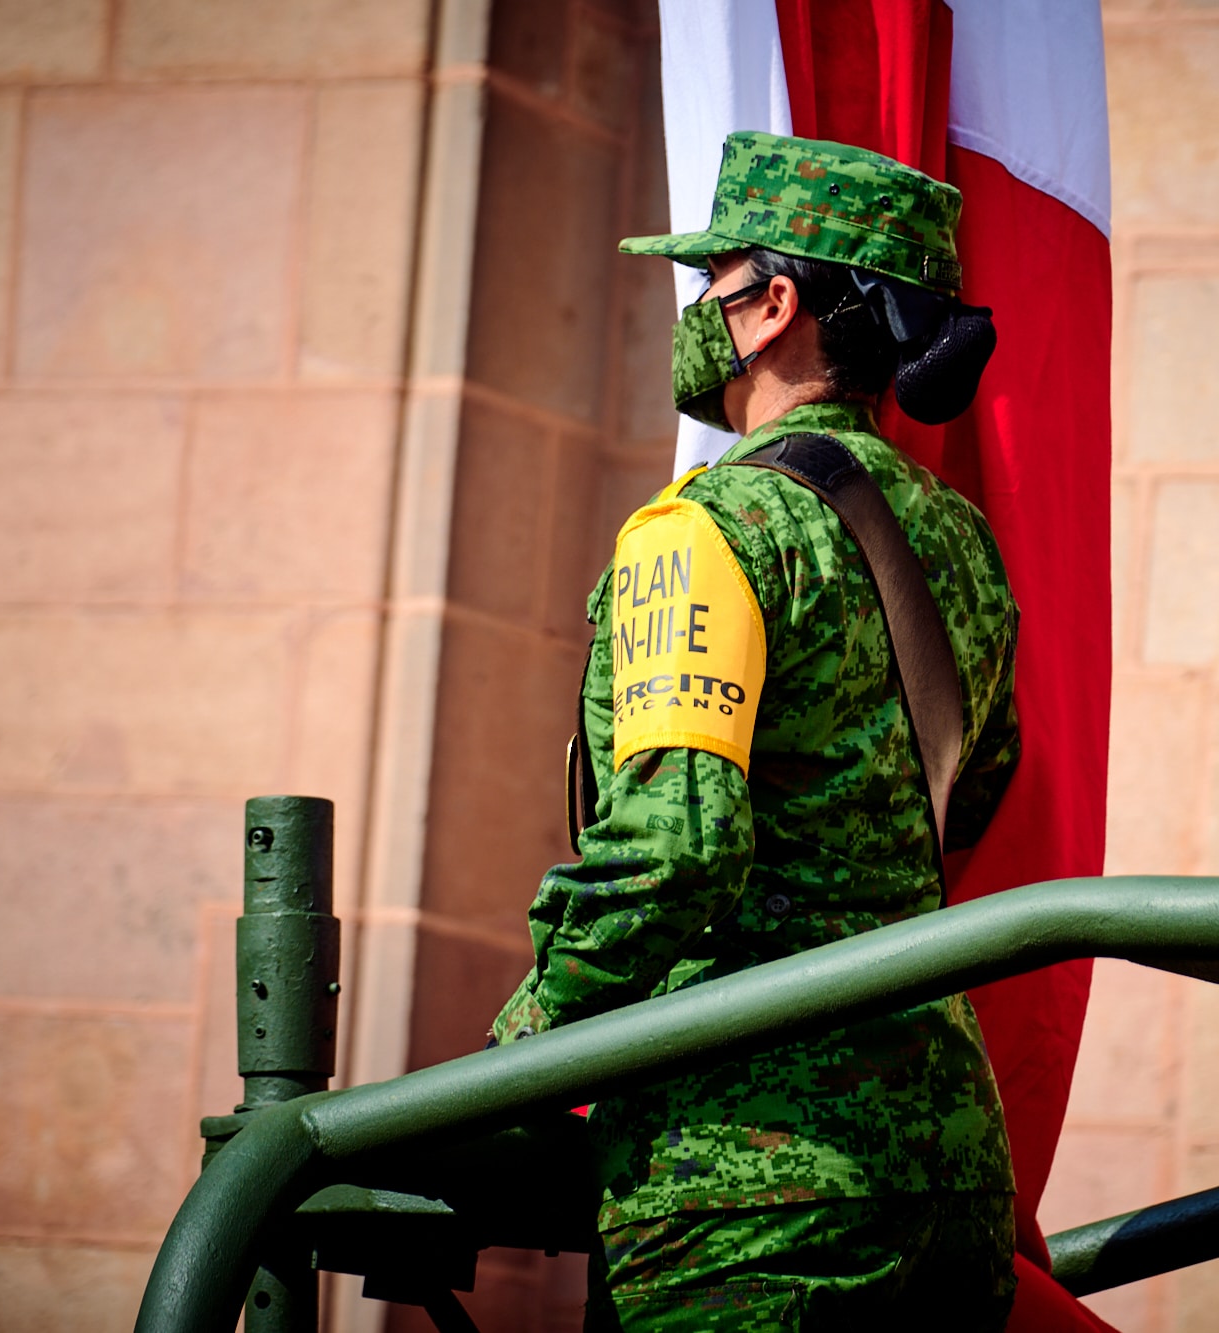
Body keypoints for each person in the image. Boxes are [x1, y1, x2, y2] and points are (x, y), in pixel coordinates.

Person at [490, 131, 1019, 1332]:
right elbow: (978, 790)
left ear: (774, 307)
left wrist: (516, 1048)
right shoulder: (961, 541)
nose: (692, 314)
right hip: (946, 1167)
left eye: (709, 282)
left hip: (748, 1173)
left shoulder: (706, 528)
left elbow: (673, 853)